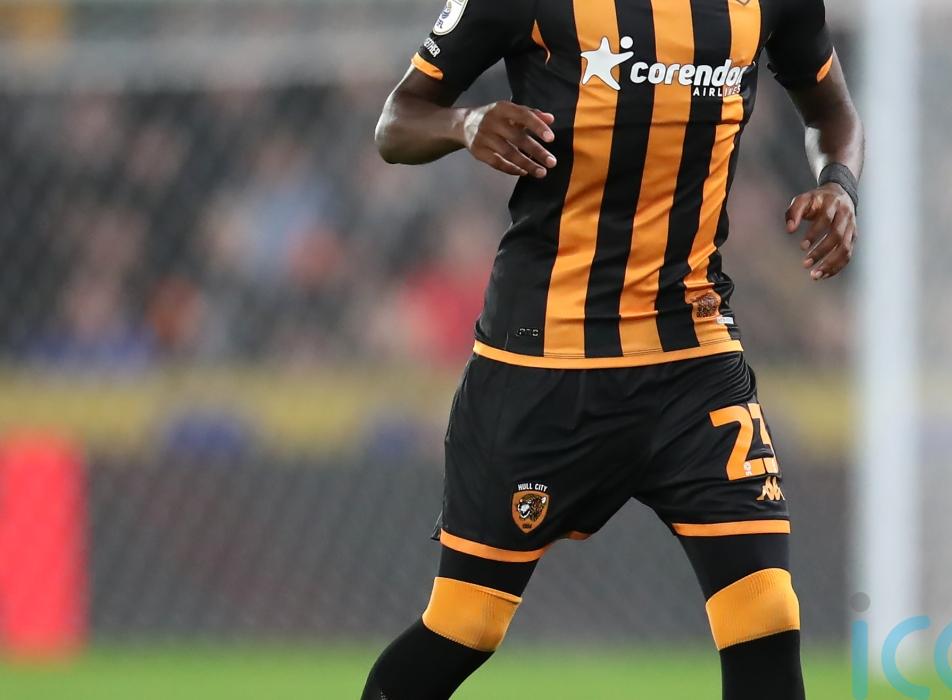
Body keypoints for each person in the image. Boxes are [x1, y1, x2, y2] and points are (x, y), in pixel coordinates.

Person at [363, 0, 863, 695]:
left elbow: (833, 115)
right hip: (543, 362)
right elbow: (397, 122)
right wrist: (465, 123)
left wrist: (839, 185)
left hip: (694, 359)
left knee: (766, 611)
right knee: (465, 625)